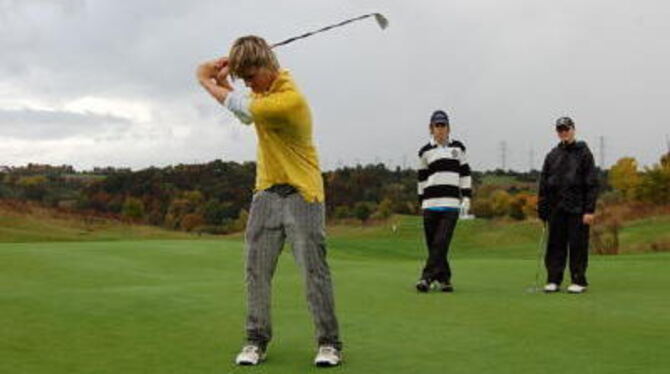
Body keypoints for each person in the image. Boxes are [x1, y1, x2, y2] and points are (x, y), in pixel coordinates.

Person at [196, 35, 342, 367]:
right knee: (256, 270)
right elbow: (245, 107)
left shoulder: (290, 101)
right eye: (243, 80)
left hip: (303, 194)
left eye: (250, 77)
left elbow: (245, 111)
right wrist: (223, 79)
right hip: (266, 193)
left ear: (267, 66)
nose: (249, 84)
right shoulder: (264, 93)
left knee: (314, 272)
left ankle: (329, 343)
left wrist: (205, 80)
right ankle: (256, 340)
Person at [538, 116, 599, 294]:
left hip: (578, 208)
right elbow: (544, 184)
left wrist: (589, 210)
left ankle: (579, 280)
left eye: (566, 129)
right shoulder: (552, 155)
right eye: (560, 130)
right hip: (556, 208)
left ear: (573, 129)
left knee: (577, 245)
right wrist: (542, 208)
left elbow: (592, 183)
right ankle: (553, 279)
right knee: (555, 245)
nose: (563, 133)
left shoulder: (584, 153)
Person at [416, 110, 472, 292]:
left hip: (451, 204)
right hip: (430, 204)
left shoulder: (458, 148)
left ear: (448, 128)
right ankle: (444, 279)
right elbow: (422, 180)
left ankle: (426, 278)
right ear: (431, 129)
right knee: (434, 245)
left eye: (443, 125)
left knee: (441, 242)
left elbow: (464, 174)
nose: (440, 129)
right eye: (436, 126)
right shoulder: (425, 152)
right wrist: (421, 202)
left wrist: (467, 197)